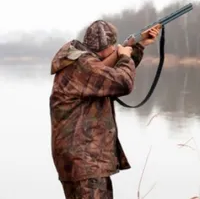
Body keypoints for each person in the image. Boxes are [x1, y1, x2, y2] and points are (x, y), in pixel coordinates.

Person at [49, 20, 160, 199]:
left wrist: (137, 46)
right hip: (86, 162)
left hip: (79, 162)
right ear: (108, 48)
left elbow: (109, 77)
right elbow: (123, 82)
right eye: (113, 47)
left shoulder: (78, 61)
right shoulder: (85, 66)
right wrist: (123, 56)